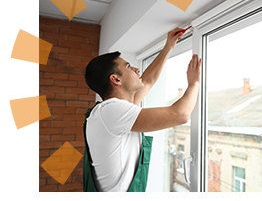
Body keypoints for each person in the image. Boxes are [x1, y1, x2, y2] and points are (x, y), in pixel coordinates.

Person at [83, 28, 202, 192]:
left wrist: (168, 47)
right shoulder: (111, 111)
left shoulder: (110, 111)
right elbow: (180, 114)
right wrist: (194, 84)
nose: (137, 70)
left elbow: (147, 80)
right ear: (116, 79)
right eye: (128, 66)